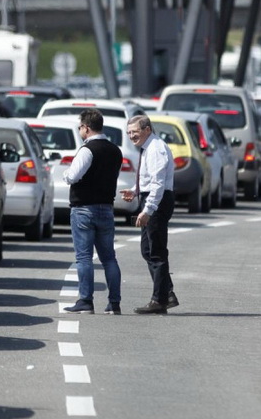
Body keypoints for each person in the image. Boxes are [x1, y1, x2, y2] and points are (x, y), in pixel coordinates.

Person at [62, 108, 123, 314]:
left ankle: (86, 301)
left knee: (84, 258)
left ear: (86, 128)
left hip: (83, 209)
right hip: (106, 208)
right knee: (109, 258)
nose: (80, 130)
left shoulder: (87, 150)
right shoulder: (115, 150)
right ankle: (114, 303)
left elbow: (73, 176)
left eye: (80, 127)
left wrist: (65, 174)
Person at [123, 115, 178, 314]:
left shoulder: (156, 148)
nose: (131, 136)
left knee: (156, 250)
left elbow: (158, 183)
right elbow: (149, 180)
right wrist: (135, 190)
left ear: (147, 129)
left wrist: (148, 209)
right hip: (151, 197)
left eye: (135, 132)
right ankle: (166, 293)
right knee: (148, 250)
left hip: (158, 200)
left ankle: (159, 299)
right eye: (129, 133)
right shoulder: (148, 147)